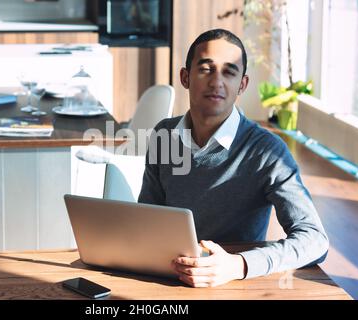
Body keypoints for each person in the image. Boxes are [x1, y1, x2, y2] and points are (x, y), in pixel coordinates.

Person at [138, 29, 329, 287]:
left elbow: (315, 241)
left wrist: (239, 264)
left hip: (233, 285)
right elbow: (147, 218)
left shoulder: (267, 151)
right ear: (185, 77)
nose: (217, 82)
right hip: (169, 279)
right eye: (206, 69)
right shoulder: (164, 133)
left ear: (242, 84)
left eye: (229, 72)